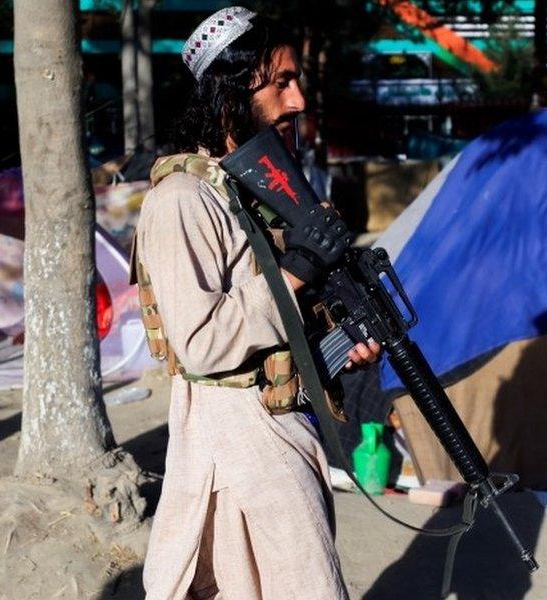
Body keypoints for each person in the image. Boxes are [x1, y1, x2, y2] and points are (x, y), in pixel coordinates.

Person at [135, 7, 379, 600]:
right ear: (228, 90)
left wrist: (338, 344)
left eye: (296, 82)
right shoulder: (182, 200)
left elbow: (273, 330)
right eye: (280, 83)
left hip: (282, 418)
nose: (297, 101)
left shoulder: (256, 191)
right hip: (233, 431)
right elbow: (202, 343)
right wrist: (297, 270)